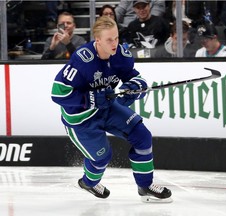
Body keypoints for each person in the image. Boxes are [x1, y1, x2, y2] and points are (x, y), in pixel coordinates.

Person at [51, 16, 172, 202]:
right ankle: (88, 182)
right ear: (97, 40)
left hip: (107, 108)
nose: (115, 43)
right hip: (81, 120)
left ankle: (145, 185)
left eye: (116, 38)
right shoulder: (83, 59)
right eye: (109, 39)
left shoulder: (121, 55)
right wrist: (90, 99)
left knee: (142, 136)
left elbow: (135, 78)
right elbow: (58, 94)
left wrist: (133, 89)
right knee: (102, 157)